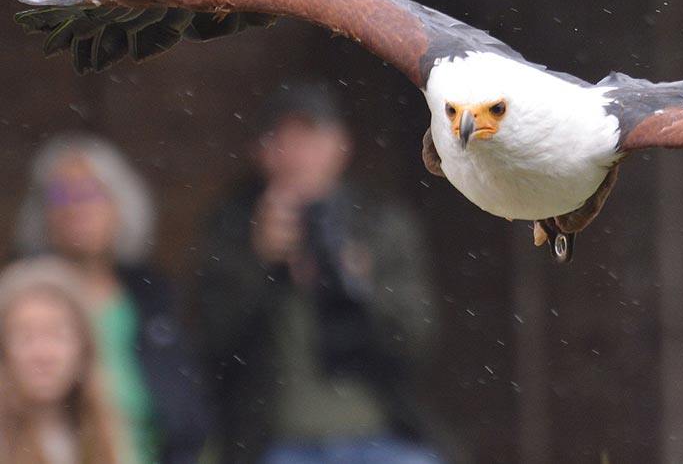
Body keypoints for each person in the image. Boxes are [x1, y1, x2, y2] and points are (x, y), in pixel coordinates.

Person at [196, 81, 440, 464]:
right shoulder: (233, 224)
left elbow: (416, 341)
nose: (295, 155)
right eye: (279, 140)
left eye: (308, 138)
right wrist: (256, 260)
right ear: (258, 153)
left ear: (340, 146)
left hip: (380, 436)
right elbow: (208, 338)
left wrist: (361, 286)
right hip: (273, 444)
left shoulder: (380, 223)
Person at [12, 133, 212, 464]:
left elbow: (185, 411)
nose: (76, 207)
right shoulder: (22, 298)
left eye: (90, 192)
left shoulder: (153, 299)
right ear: (43, 212)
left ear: (120, 206)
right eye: (61, 194)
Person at [0, 257, 128, 464]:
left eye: (56, 335)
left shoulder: (105, 436)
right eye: (25, 337)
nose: (42, 354)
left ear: (84, 347)